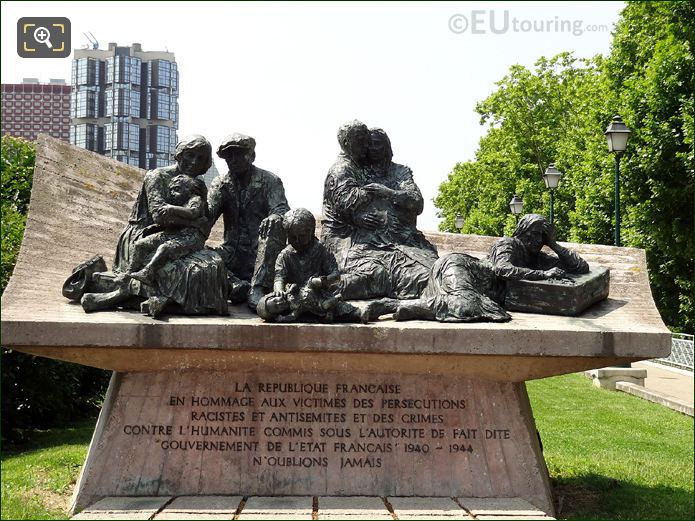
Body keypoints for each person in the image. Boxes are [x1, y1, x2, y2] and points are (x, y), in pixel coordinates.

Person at [77, 135, 228, 318]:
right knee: (177, 267)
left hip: (181, 235)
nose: (194, 162)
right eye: (190, 155)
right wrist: (195, 222)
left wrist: (194, 222)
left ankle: (157, 300)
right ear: (179, 154)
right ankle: (130, 288)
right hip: (144, 233)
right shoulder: (157, 176)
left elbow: (201, 217)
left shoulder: (197, 184)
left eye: (201, 158)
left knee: (209, 265)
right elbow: (160, 216)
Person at [321, 122, 438, 300]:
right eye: (367, 143)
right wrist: (359, 216)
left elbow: (417, 202)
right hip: (358, 243)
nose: (371, 148)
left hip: (399, 239)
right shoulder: (352, 169)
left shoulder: (400, 172)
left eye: (377, 143)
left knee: (427, 264)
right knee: (388, 271)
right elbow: (345, 204)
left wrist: (388, 192)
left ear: (387, 146)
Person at [208, 133, 290, 307]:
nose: (233, 159)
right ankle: (235, 285)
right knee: (200, 251)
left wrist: (275, 217)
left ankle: (257, 289)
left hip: (262, 252)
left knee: (275, 224)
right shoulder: (220, 184)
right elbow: (207, 218)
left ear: (252, 156)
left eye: (238, 154)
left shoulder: (270, 181)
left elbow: (282, 209)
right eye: (229, 156)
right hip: (233, 253)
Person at [257, 208, 363, 323]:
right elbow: (279, 277)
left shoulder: (322, 250)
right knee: (279, 308)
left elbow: (336, 275)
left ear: (311, 232)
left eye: (302, 236)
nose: (297, 241)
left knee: (342, 310)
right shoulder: (284, 255)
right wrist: (279, 290)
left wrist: (322, 281)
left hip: (319, 296)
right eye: (292, 237)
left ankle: (366, 311)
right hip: (295, 300)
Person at [125, 156, 209, 285]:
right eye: (171, 190)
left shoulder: (195, 200)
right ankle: (129, 273)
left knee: (165, 248)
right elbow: (160, 217)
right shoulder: (157, 176)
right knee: (140, 245)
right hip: (171, 233)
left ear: (189, 190)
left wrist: (171, 208)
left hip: (188, 238)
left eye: (176, 190)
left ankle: (148, 272)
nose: (172, 194)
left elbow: (193, 213)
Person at [488, 214, 589, 280]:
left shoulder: (536, 257)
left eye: (543, 236)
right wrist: (543, 274)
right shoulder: (507, 243)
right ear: (522, 231)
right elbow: (502, 268)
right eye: (535, 234)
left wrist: (554, 245)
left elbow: (581, 267)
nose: (540, 240)